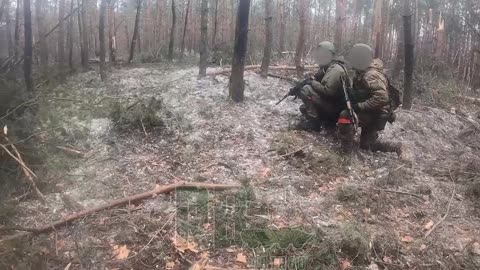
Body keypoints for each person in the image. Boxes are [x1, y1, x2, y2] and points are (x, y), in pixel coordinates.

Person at [337, 43, 402, 155]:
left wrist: (359, 106)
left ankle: (345, 153)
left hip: (377, 113)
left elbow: (382, 98)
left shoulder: (370, 74)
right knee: (367, 145)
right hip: (373, 110)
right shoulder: (361, 71)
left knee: (346, 115)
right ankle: (396, 147)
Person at [295, 41, 347, 131]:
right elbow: (319, 80)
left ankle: (314, 123)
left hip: (336, 109)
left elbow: (328, 92)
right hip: (334, 105)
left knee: (306, 90)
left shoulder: (336, 70)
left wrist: (311, 82)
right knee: (303, 108)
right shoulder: (328, 67)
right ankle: (325, 120)